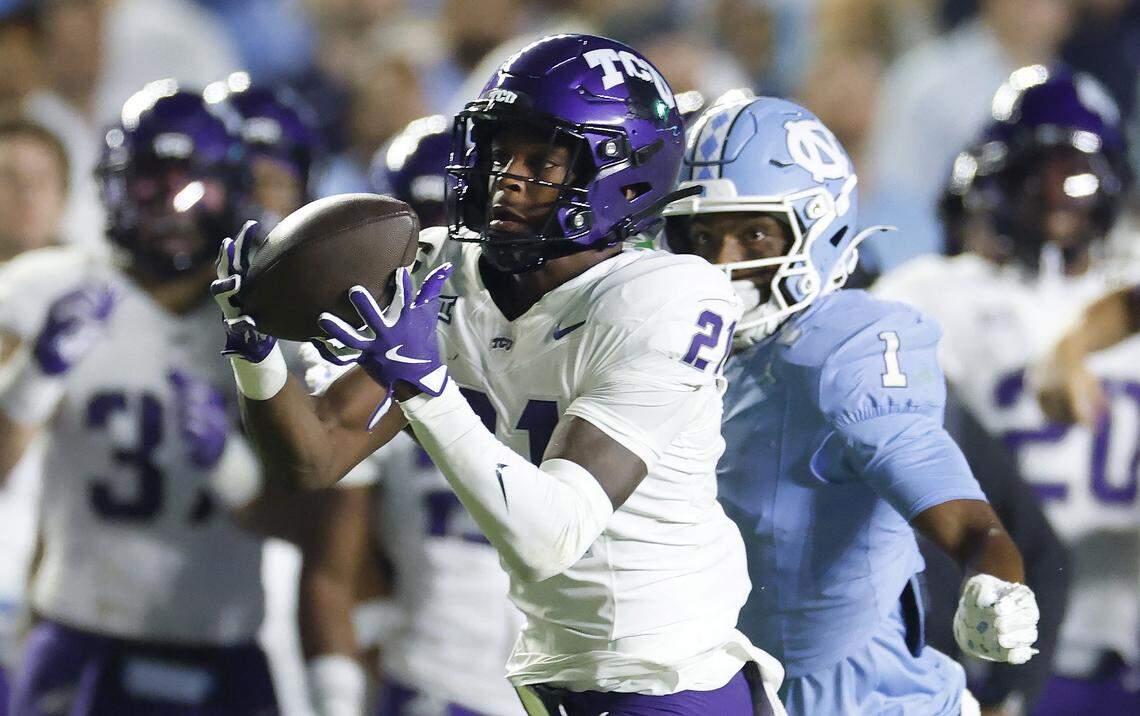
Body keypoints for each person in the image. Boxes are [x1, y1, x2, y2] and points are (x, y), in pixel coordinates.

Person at [212, 34, 785, 714]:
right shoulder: (446, 275)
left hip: (668, 680)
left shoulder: (667, 297)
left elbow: (552, 537)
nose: (506, 177)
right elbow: (313, 457)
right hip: (558, 677)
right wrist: (255, 352)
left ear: (625, 178)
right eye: (498, 151)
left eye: (542, 159)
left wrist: (427, 388)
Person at [661, 93, 1040, 715]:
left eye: (753, 233)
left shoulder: (842, 351)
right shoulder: (672, 344)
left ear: (821, 228)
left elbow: (969, 521)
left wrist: (993, 582)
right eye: (702, 236)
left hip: (867, 700)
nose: (722, 263)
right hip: (729, 686)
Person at [0, 81, 278, 715]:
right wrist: (34, 376)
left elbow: (312, 521)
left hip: (221, 640)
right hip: (79, 631)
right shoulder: (46, 289)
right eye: (151, 183)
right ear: (113, 187)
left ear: (233, 190)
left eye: (193, 186)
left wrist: (231, 466)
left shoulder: (273, 311)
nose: (172, 207)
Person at [874, 64, 1138, 714]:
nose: (1055, 199)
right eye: (1031, 177)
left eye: (1074, 178)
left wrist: (1074, 347)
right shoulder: (933, 294)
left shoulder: (1124, 287)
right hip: (989, 641)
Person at [299, 116, 526, 716]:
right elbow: (333, 569)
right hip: (438, 676)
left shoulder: (566, 333)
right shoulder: (363, 364)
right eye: (419, 238)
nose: (439, 258)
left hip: (565, 676)